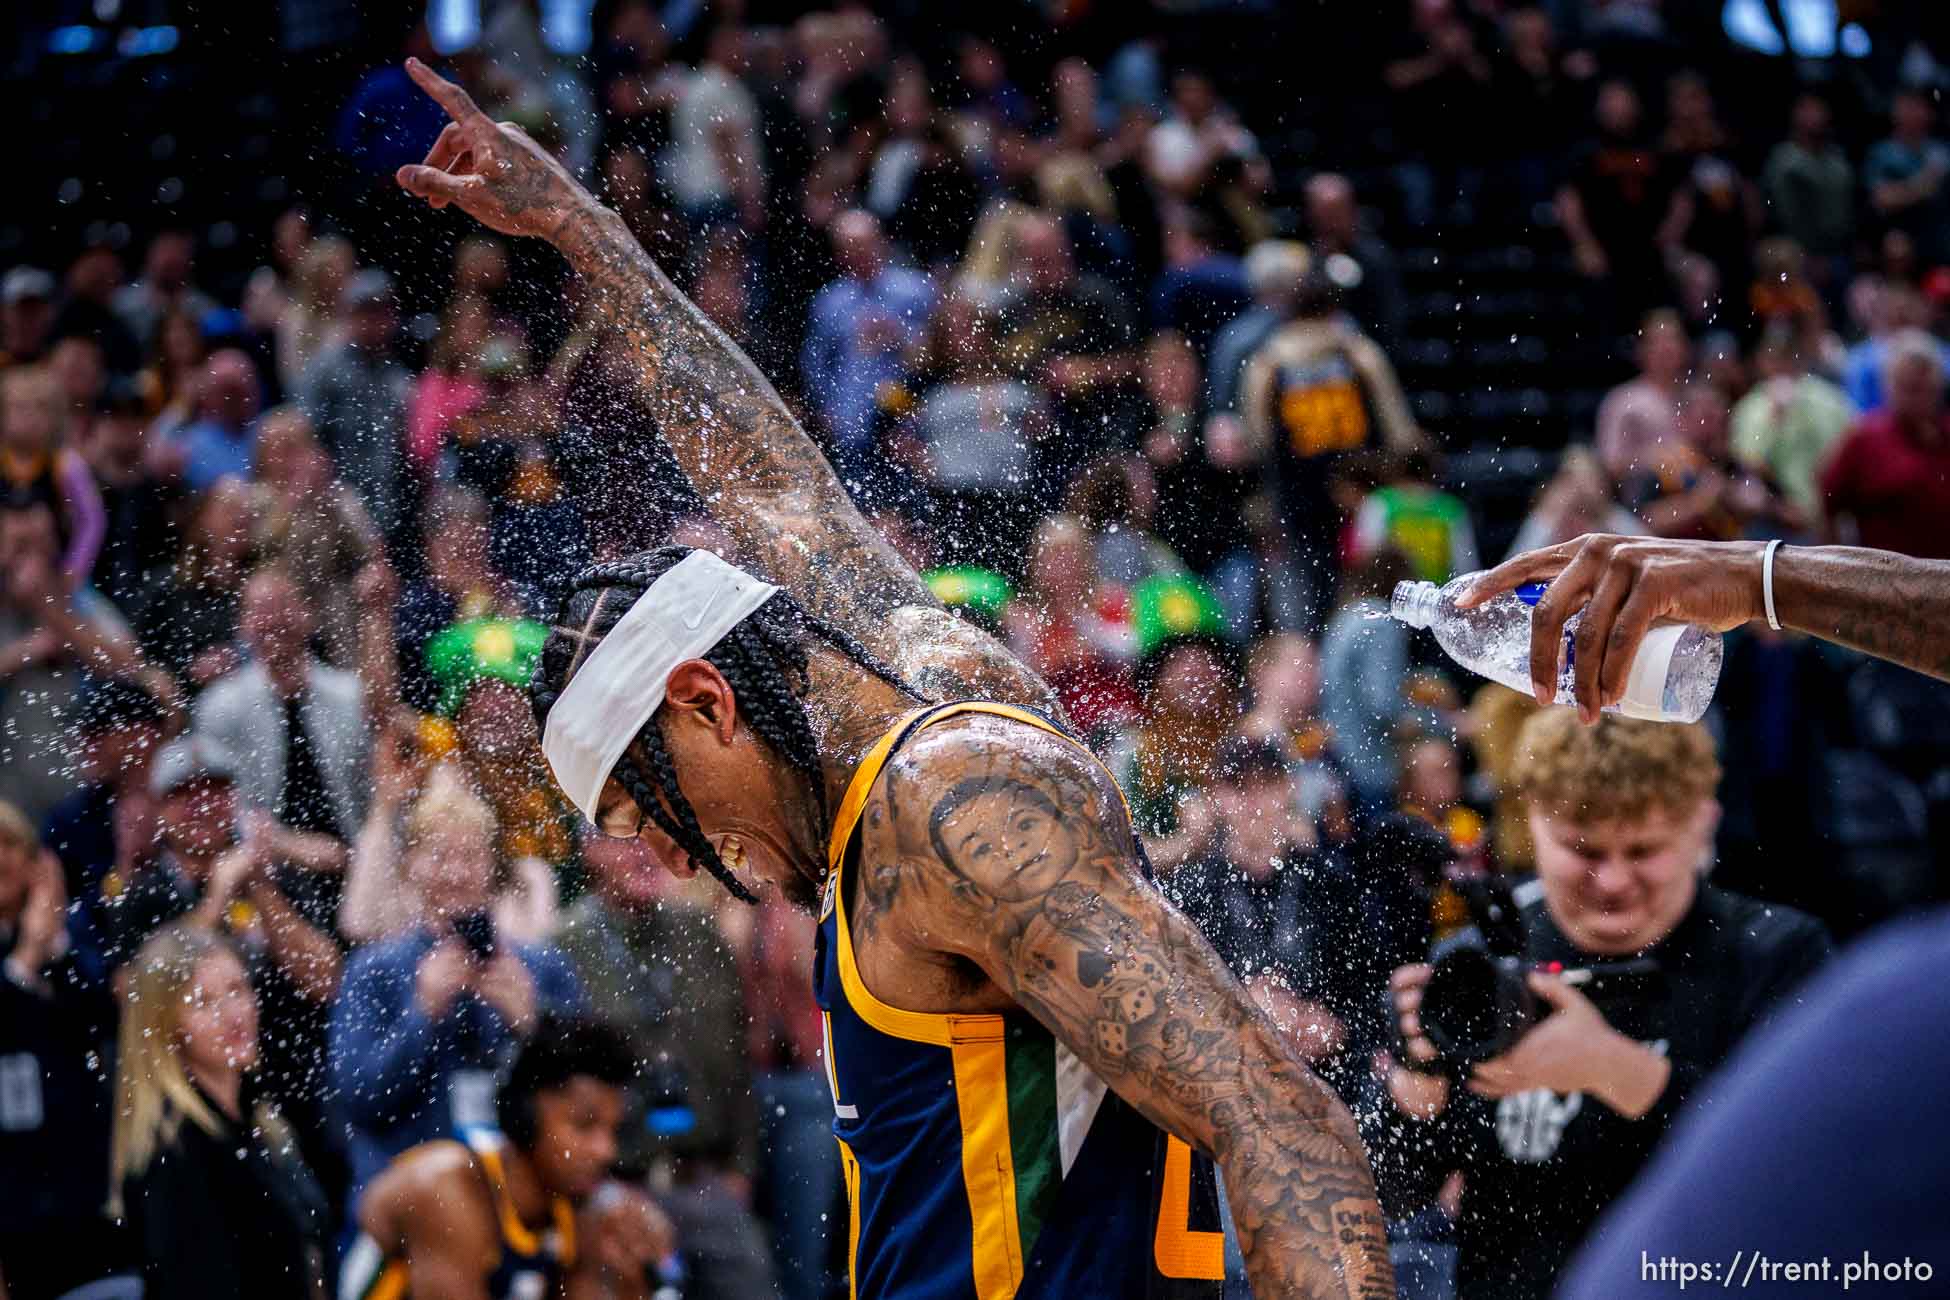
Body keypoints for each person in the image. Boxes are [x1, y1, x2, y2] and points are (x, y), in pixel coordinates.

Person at [395, 58, 1393, 1297]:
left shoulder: (954, 806)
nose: (690, 854)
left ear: (708, 699)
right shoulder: (920, 682)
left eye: (660, 809)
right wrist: (583, 232)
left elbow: (1282, 1124)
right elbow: (770, 483)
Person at [1369, 712, 1831, 1300]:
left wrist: (1617, 1070)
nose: (1613, 880)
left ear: (1701, 826)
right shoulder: (1480, 959)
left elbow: (1803, 1172)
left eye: (1644, 850)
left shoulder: (1775, 953)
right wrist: (1414, 1092)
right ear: (1533, 824)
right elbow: (1390, 1194)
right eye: (1583, 850)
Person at [330, 767, 582, 1215]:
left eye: (471, 857)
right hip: (409, 1199)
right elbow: (359, 1100)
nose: (456, 872)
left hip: (519, 1199)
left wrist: (533, 1026)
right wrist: (422, 1012)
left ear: (493, 867)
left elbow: (586, 1095)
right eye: (439, 855)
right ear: (410, 864)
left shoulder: (541, 968)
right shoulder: (373, 971)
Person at [556, 827, 779, 1299]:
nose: (646, 853)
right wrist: (595, 1187)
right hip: (614, 1185)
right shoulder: (565, 947)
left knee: (754, 1284)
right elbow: (557, 1087)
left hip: (704, 1179)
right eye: (628, 840)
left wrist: (741, 1167)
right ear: (592, 852)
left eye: (657, 837)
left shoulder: (700, 933)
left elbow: (739, 1062)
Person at [342, 1014, 676, 1300]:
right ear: (523, 1116)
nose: (606, 1150)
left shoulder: (574, 1205)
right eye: (584, 1125)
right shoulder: (444, 1187)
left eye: (612, 1131)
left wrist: (632, 1283)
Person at [110, 922, 332, 1300]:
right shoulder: (175, 1151)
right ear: (166, 1027)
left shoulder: (256, 1117)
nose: (233, 1014)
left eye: (237, 990)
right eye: (204, 1002)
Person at [1241, 268, 1423, 628]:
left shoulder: (1269, 361)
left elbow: (1256, 438)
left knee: (1310, 598)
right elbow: (1400, 429)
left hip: (1301, 495)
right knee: (1369, 592)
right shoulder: (1358, 353)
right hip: (1360, 490)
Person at [0, 801, 125, 1300]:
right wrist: (27, 956)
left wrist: (51, 947)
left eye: (11, 846)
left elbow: (102, 1015)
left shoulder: (70, 936)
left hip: (79, 1164)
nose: (3, 861)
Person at [1819, 331, 1950, 560]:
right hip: (1885, 582)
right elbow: (1827, 500)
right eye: (1908, 388)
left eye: (1924, 388)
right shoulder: (1866, 439)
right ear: (1888, 386)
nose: (1917, 398)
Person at [1729, 326, 1856, 519]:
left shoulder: (1829, 399)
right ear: (1761, 362)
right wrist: (1774, 420)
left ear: (1799, 358)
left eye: (1786, 356)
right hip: (1776, 517)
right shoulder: (1750, 408)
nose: (1780, 364)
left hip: (1830, 511)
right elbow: (1747, 466)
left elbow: (1848, 451)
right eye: (1773, 357)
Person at [0, 363, 106, 588]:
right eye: (19, 407)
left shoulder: (66, 465)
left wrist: (74, 569)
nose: (29, 417)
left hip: (54, 571)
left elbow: (92, 521)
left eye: (40, 408)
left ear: (55, 415)